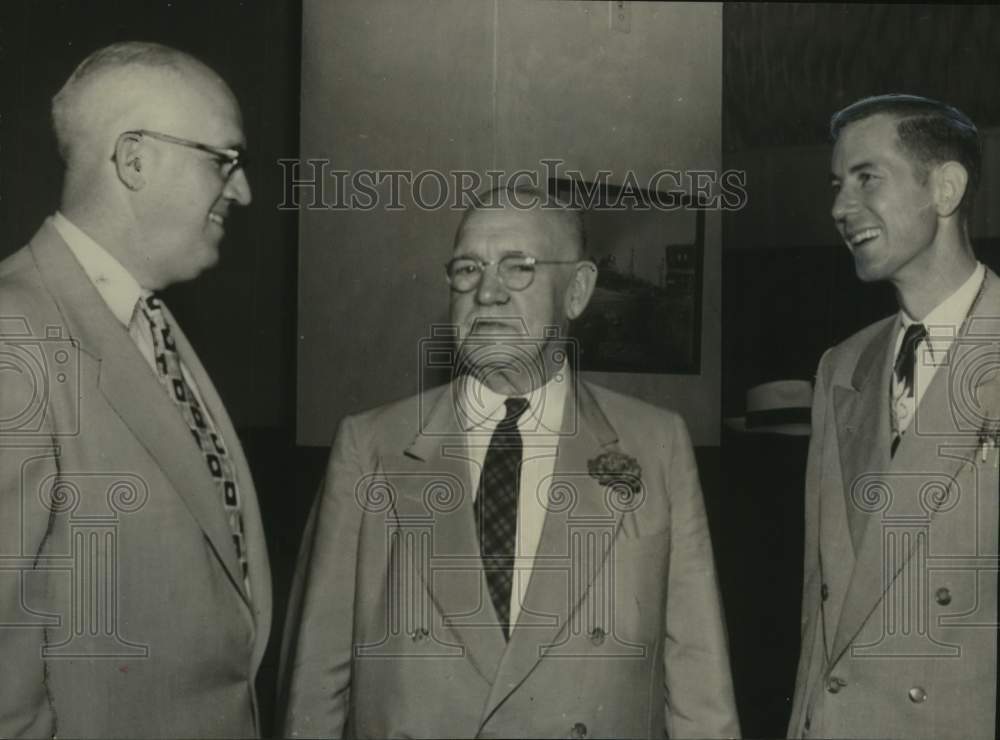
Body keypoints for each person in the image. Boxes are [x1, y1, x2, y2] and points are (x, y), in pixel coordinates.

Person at [280, 186, 739, 739]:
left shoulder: (656, 445)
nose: (487, 292)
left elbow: (699, 685)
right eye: (468, 269)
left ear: (578, 290)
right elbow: (316, 681)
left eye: (518, 267)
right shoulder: (371, 445)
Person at [0, 42, 270, 738]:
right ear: (134, 160)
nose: (240, 191)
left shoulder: (147, 321)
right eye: (225, 161)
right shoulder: (13, 330)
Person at [788, 94, 997, 739]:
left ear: (945, 188)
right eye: (836, 184)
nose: (840, 209)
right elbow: (821, 609)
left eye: (866, 178)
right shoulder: (841, 368)